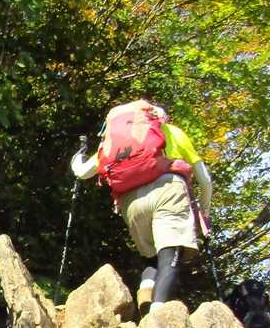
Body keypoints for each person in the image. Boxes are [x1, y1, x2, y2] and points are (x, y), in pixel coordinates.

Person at [69, 100, 212, 311]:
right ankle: (157, 314)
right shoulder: (171, 132)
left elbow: (81, 172)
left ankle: (146, 298)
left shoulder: (116, 142)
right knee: (169, 254)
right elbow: (205, 180)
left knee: (151, 257)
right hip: (168, 191)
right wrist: (205, 211)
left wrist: (78, 156)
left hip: (130, 200)